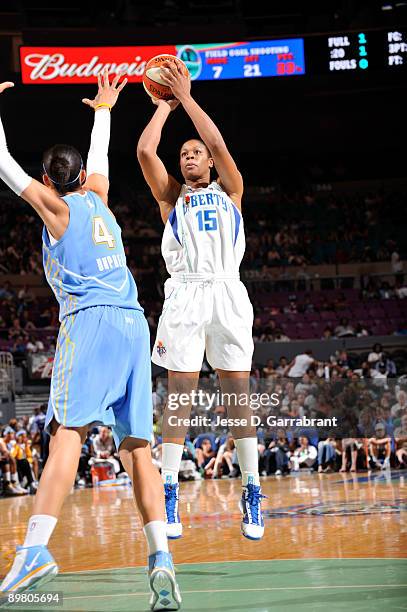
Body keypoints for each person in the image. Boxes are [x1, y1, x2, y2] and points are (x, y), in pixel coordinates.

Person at [0, 76, 181, 610]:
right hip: (133, 323)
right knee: (137, 449)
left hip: (92, 322)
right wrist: (105, 107)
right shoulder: (98, 198)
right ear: (80, 175)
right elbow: (100, 156)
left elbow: (2, 162)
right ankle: (160, 558)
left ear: (46, 180)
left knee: (66, 436)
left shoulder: (56, 211)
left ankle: (35, 550)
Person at [137, 61, 265, 541]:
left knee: (238, 398)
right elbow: (146, 149)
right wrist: (164, 106)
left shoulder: (230, 191)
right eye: (184, 154)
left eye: (195, 153)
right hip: (186, 293)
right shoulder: (172, 198)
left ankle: (252, 488)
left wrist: (187, 97)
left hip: (228, 291)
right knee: (181, 396)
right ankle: (169, 486)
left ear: (208, 163)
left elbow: (217, 143)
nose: (190, 157)